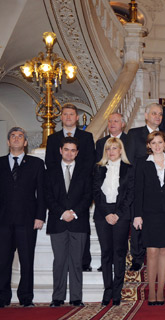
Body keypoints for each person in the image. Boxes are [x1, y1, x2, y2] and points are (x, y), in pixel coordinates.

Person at [45, 103, 95, 272]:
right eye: (65, 114)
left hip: (79, 190)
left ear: (77, 118)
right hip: (59, 191)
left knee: (82, 230)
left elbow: (90, 162)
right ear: (61, 117)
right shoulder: (53, 138)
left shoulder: (87, 137)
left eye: (71, 114)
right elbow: (50, 163)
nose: (68, 117)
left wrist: (78, 178)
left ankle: (84, 262)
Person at [0, 127, 45, 308]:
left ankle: (26, 298)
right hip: (3, 221)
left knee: (27, 260)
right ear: (8, 142)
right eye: (13, 136)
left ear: (25, 142)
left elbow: (41, 192)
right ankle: (2, 298)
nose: (17, 139)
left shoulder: (36, 164)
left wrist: (40, 216)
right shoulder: (0, 163)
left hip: (27, 220)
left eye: (20, 136)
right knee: (3, 261)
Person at [45, 137, 92, 307]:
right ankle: (57, 297)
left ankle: (76, 298)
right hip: (58, 222)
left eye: (73, 150)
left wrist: (74, 212)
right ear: (60, 150)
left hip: (78, 222)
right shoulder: (50, 170)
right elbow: (47, 196)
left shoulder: (85, 171)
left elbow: (88, 196)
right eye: (66, 149)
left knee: (76, 262)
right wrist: (62, 213)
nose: (69, 153)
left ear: (77, 153)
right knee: (59, 262)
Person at [133, 131, 165, 306]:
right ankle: (151, 291)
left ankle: (161, 291)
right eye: (154, 142)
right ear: (149, 145)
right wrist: (137, 214)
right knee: (151, 251)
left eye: (160, 142)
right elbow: (138, 190)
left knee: (164, 251)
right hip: (149, 212)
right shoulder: (142, 163)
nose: (157, 145)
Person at [93, 137, 134, 307]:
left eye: (115, 148)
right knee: (106, 253)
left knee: (119, 253)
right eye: (109, 149)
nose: (111, 152)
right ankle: (107, 290)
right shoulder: (98, 168)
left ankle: (117, 291)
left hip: (121, 215)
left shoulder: (129, 169)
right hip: (102, 214)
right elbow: (95, 192)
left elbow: (130, 194)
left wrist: (117, 214)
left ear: (120, 150)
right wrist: (106, 213)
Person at [126, 102, 164, 272]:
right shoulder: (134, 134)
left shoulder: (164, 136)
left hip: (159, 188)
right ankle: (137, 257)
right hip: (139, 185)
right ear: (146, 116)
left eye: (160, 114)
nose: (157, 116)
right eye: (154, 113)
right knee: (137, 224)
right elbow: (129, 161)